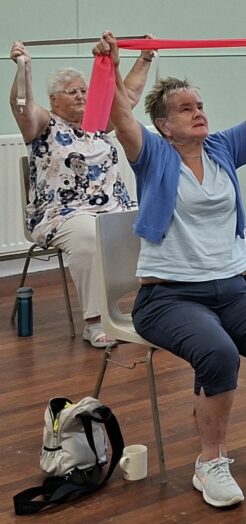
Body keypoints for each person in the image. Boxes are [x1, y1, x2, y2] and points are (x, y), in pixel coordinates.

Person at [97, 30, 246, 507]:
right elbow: (120, 116)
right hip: (168, 298)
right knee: (219, 354)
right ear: (163, 125)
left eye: (199, 105)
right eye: (186, 108)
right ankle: (210, 462)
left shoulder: (222, 149)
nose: (199, 112)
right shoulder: (153, 155)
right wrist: (112, 67)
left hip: (235, 290)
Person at [9, 39, 153, 347]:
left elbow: (127, 97)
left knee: (155, 226)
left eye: (84, 90)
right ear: (54, 100)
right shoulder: (44, 124)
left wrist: (145, 58)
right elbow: (21, 106)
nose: (81, 96)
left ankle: (154, 311)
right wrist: (24, 68)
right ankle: (95, 321)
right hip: (63, 213)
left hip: (114, 207)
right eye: (72, 91)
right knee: (91, 236)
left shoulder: (97, 123)